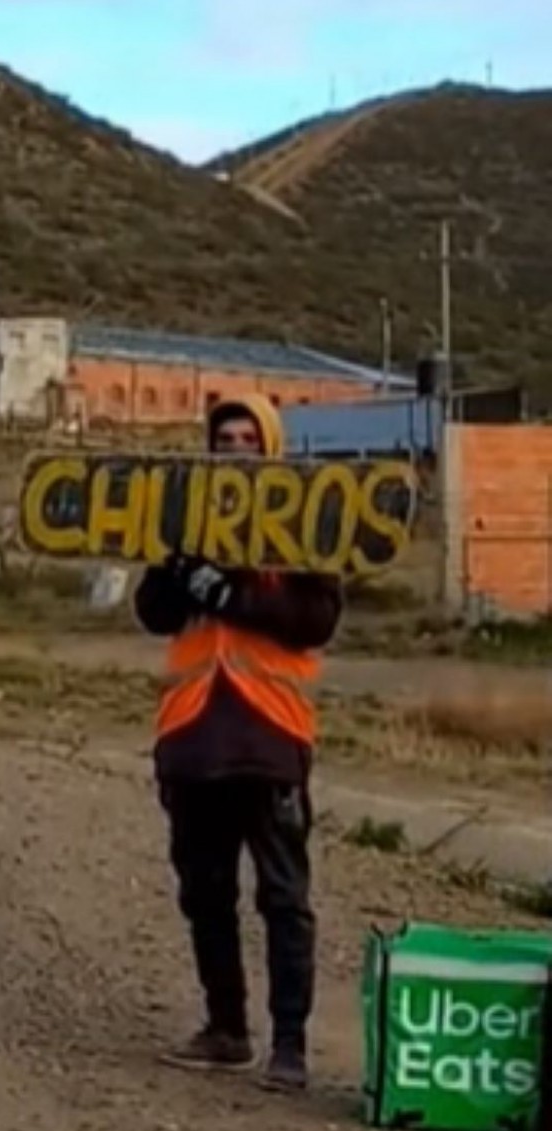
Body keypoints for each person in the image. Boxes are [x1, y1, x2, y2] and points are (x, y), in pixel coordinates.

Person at [132, 395, 343, 1094]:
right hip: (193, 738)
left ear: (271, 446)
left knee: (284, 897)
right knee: (206, 893)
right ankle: (226, 1029)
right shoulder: (182, 519)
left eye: (250, 437)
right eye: (225, 438)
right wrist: (182, 572)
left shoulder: (305, 523)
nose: (236, 448)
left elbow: (316, 617)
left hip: (270, 737)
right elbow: (153, 611)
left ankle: (290, 1044)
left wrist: (231, 595)